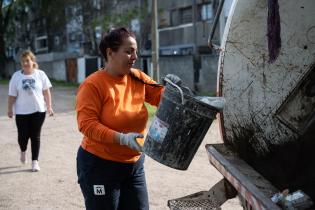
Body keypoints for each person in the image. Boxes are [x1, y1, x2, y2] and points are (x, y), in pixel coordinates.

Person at [76, 27, 180, 210]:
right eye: (129, 51)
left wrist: (174, 90)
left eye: (136, 52)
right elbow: (87, 125)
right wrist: (121, 138)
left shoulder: (138, 77)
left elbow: (163, 100)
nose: (135, 57)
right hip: (100, 166)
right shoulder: (93, 85)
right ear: (110, 53)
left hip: (133, 165)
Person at [7, 50, 54, 172]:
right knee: (22, 137)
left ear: (33, 61)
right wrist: (9, 109)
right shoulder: (16, 76)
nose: (26, 63)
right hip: (22, 112)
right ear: (21, 63)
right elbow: (12, 95)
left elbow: (46, 92)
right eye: (23, 61)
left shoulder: (40, 74)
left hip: (38, 110)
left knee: (35, 136)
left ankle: (35, 161)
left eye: (28, 60)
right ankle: (23, 151)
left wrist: (49, 107)